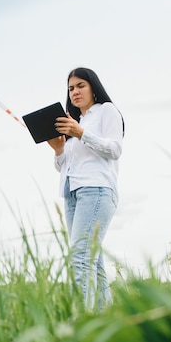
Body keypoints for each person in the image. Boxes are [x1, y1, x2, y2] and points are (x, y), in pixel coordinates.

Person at [47, 67, 124, 312]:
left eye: (80, 85)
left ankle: (81, 323)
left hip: (97, 190)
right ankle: (105, 319)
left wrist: (81, 133)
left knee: (80, 258)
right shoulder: (74, 124)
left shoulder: (106, 111)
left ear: (93, 86)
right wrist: (58, 149)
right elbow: (64, 166)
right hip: (72, 194)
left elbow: (114, 149)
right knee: (93, 262)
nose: (75, 92)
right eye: (71, 88)